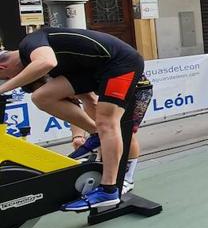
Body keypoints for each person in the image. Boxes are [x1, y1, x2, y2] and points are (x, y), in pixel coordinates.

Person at [0, 28, 146, 210]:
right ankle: (96, 134)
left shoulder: (29, 44)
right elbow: (86, 100)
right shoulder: (56, 64)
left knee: (108, 123)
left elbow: (46, 61)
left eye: (7, 78)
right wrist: (80, 135)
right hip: (96, 70)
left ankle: (108, 190)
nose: (13, 80)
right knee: (41, 97)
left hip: (121, 64)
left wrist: (2, 88)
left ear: (2, 67)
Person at [68, 76, 152, 194]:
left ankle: (127, 178)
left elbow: (89, 98)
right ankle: (108, 177)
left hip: (134, 87)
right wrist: (78, 136)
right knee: (105, 133)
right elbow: (74, 105)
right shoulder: (63, 83)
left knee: (124, 132)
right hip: (105, 88)